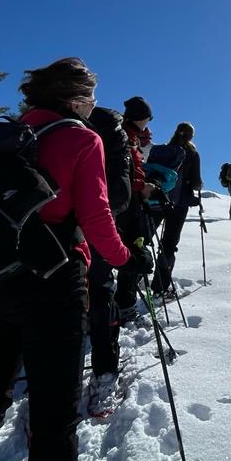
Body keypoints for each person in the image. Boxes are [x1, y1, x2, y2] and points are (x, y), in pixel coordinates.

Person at [0, 58, 154, 461]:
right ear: (74, 98)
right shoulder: (81, 138)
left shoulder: (4, 138)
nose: (93, 105)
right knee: (54, 419)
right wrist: (126, 259)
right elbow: (96, 217)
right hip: (54, 285)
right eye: (90, 97)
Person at [84, 105, 132, 412]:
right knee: (101, 293)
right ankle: (104, 372)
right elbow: (119, 196)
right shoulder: (113, 138)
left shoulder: (40, 129)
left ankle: (50, 386)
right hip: (95, 231)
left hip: (45, 238)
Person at [113, 95, 157, 321]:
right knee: (134, 249)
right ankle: (125, 302)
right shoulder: (125, 138)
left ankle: (121, 301)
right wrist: (143, 187)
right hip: (128, 204)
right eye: (148, 118)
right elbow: (128, 174)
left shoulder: (126, 135)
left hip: (125, 202)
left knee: (129, 248)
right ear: (142, 118)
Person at [155, 122, 203, 293]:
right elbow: (196, 182)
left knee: (145, 241)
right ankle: (160, 287)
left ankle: (132, 283)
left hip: (157, 200)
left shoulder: (165, 150)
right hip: (179, 204)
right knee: (169, 244)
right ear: (191, 136)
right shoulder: (192, 153)